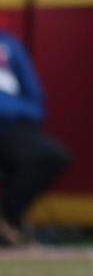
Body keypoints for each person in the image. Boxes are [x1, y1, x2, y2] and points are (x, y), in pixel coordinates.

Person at [0, 29, 71, 246]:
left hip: (12, 126)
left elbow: (35, 98)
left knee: (51, 155)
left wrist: (20, 113)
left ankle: (7, 217)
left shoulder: (9, 45)